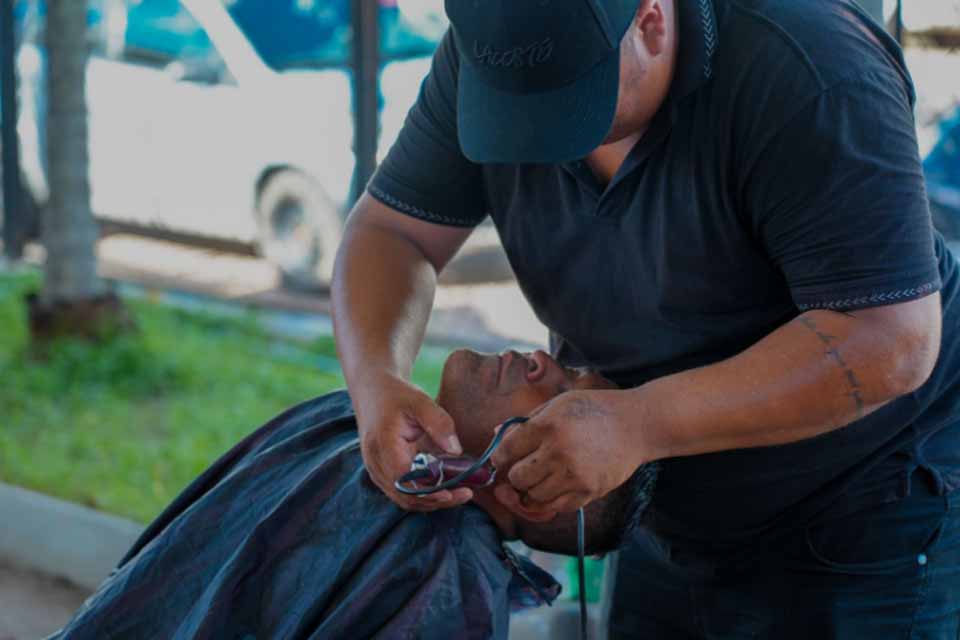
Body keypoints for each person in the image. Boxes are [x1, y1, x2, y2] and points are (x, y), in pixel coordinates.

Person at [331, 0, 960, 636]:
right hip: (660, 494)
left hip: (861, 499)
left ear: (651, 18)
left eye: (570, 100)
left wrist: (642, 422)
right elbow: (391, 231)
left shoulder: (812, 72)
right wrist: (376, 378)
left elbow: (891, 340)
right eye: (520, 113)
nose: (539, 140)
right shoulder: (498, 52)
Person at [50, 349, 656, 640]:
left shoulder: (450, 589)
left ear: (541, 489)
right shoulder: (346, 419)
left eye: (561, 396)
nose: (540, 360)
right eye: (566, 365)